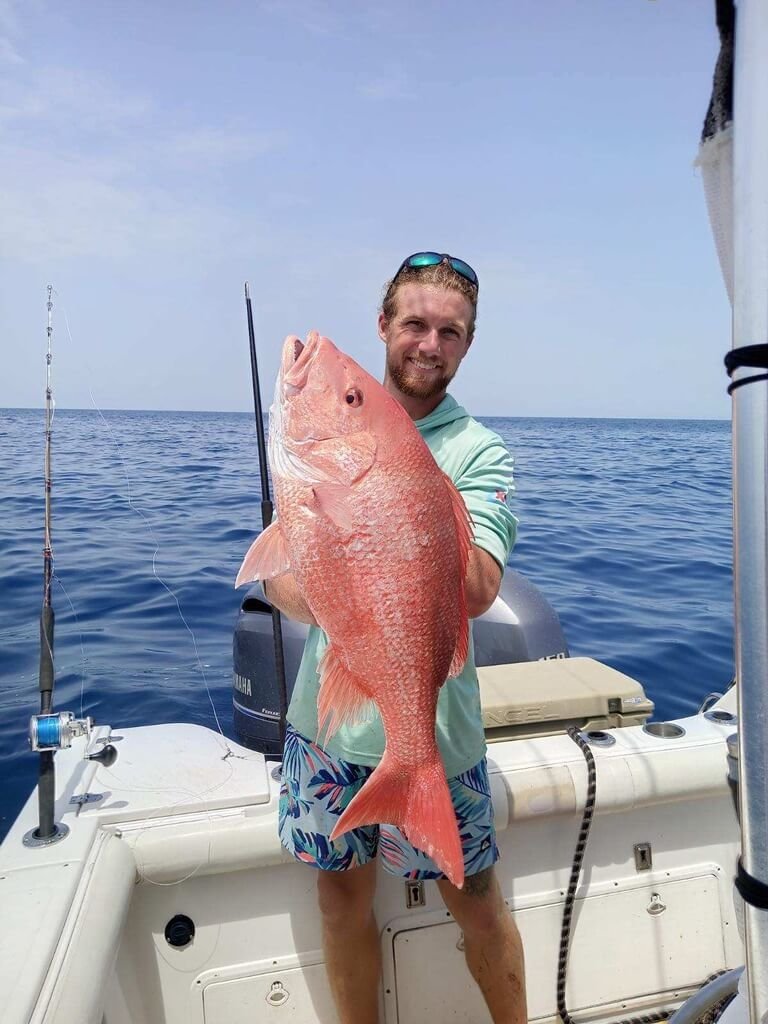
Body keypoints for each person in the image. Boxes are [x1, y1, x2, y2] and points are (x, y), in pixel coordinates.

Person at [265, 252, 527, 1024]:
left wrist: (412, 511)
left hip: (436, 735)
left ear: (466, 345)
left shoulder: (480, 451)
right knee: (341, 900)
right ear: (384, 326)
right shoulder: (337, 434)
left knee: (476, 904)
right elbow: (280, 582)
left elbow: (477, 593)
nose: (429, 343)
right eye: (414, 323)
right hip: (329, 724)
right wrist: (340, 581)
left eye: (451, 331)